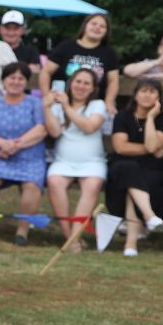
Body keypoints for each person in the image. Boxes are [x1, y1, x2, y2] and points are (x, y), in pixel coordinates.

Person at [0, 62, 49, 242]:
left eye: (20, 78)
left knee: (31, 185)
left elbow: (41, 129)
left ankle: (22, 231)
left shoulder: (35, 103)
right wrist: (2, 144)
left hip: (29, 157)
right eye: (11, 78)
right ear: (4, 81)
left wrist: (14, 146)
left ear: (26, 82)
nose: (16, 82)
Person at [41, 65, 110, 252]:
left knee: (93, 185)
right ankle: (69, 237)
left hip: (93, 163)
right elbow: (54, 132)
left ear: (93, 88)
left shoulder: (98, 105)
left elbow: (89, 127)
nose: (81, 86)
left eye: (86, 83)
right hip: (63, 162)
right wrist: (47, 108)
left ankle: (74, 236)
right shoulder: (57, 107)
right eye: (78, 81)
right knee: (54, 181)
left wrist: (66, 106)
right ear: (71, 84)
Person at [106, 77, 163, 256]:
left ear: (159, 97)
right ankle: (149, 217)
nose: (147, 95)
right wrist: (151, 149)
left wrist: (150, 118)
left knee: (132, 184)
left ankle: (131, 243)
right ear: (135, 94)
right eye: (143, 90)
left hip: (151, 170)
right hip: (121, 166)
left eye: (152, 91)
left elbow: (152, 146)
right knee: (129, 172)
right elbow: (121, 147)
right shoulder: (122, 117)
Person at [41, 13, 120, 106]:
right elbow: (46, 71)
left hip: (94, 107)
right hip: (62, 102)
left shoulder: (109, 53)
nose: (97, 27)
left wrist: (109, 102)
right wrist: (47, 95)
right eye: (94, 24)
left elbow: (113, 80)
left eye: (102, 26)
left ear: (106, 31)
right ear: (85, 25)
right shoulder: (66, 47)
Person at [0, 10, 47, 86]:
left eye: (15, 28)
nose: (11, 32)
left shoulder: (31, 51)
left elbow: (34, 78)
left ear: (23, 30)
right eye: (7, 28)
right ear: (0, 29)